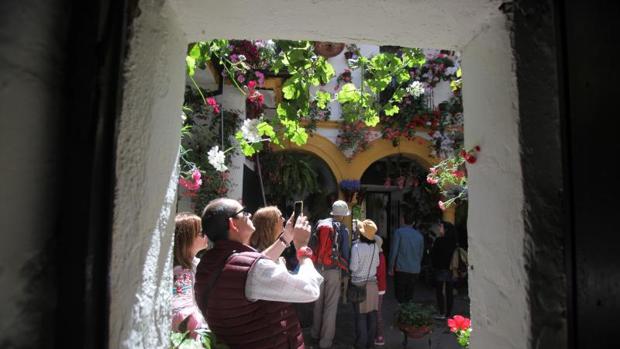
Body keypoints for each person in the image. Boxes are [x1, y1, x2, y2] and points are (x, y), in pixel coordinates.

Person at [194, 198, 323, 349]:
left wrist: (287, 236)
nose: (249, 215)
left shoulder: (208, 263)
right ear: (233, 224)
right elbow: (310, 290)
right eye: (244, 213)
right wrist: (302, 248)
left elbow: (255, 266)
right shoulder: (251, 268)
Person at [310, 200, 351, 349]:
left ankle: (315, 334)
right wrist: (346, 272)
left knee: (318, 303)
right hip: (333, 270)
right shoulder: (343, 230)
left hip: (318, 268)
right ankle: (325, 342)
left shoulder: (320, 224)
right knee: (331, 306)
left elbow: (312, 245)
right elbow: (345, 254)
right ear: (342, 215)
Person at [171, 212, 209, 334]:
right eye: (201, 233)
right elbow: (182, 313)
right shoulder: (181, 272)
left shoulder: (194, 263)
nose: (205, 235)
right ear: (187, 239)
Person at [349, 219, 380, 349]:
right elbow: (377, 264)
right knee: (372, 315)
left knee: (360, 316)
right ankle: (370, 344)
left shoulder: (356, 247)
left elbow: (353, 268)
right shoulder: (375, 246)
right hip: (373, 285)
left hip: (359, 285)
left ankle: (360, 344)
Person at [388, 212, 424, 304]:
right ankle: (407, 315)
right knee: (409, 295)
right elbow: (420, 254)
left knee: (400, 296)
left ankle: (401, 315)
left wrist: (391, 267)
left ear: (403, 220)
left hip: (401, 269)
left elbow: (394, 251)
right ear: (414, 222)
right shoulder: (419, 236)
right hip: (414, 269)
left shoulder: (399, 232)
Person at [430, 221, 458, 319]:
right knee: (449, 291)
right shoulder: (454, 241)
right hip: (451, 269)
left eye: (441, 227)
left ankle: (442, 312)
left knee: (439, 291)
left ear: (445, 229)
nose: (439, 229)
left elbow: (434, 255)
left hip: (440, 269)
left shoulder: (439, 240)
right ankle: (448, 313)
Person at [374, 236, 387, 346]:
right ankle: (378, 335)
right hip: (380, 288)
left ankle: (379, 336)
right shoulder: (381, 255)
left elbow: (377, 273)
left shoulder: (378, 256)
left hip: (377, 288)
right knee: (377, 312)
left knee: (377, 313)